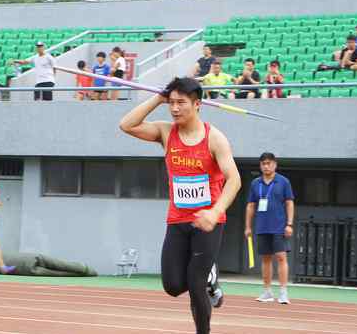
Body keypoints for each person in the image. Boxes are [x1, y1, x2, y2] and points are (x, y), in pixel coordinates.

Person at [119, 77, 241, 334]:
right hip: (177, 220)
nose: (174, 108)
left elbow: (235, 180)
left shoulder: (214, 138)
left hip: (208, 221)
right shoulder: (165, 132)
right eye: (171, 103)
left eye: (181, 103)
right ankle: (211, 275)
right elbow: (126, 125)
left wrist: (215, 211)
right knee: (173, 285)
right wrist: (157, 98)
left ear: (197, 104)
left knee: (195, 284)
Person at [244, 152, 295, 305]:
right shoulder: (255, 183)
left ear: (275, 165)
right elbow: (251, 205)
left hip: (279, 226)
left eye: (269, 163)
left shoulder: (283, 182)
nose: (266, 166)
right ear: (260, 166)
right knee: (265, 259)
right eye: (263, 164)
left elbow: (289, 203)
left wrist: (289, 224)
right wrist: (247, 226)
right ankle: (267, 291)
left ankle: (284, 293)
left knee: (281, 257)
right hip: (262, 226)